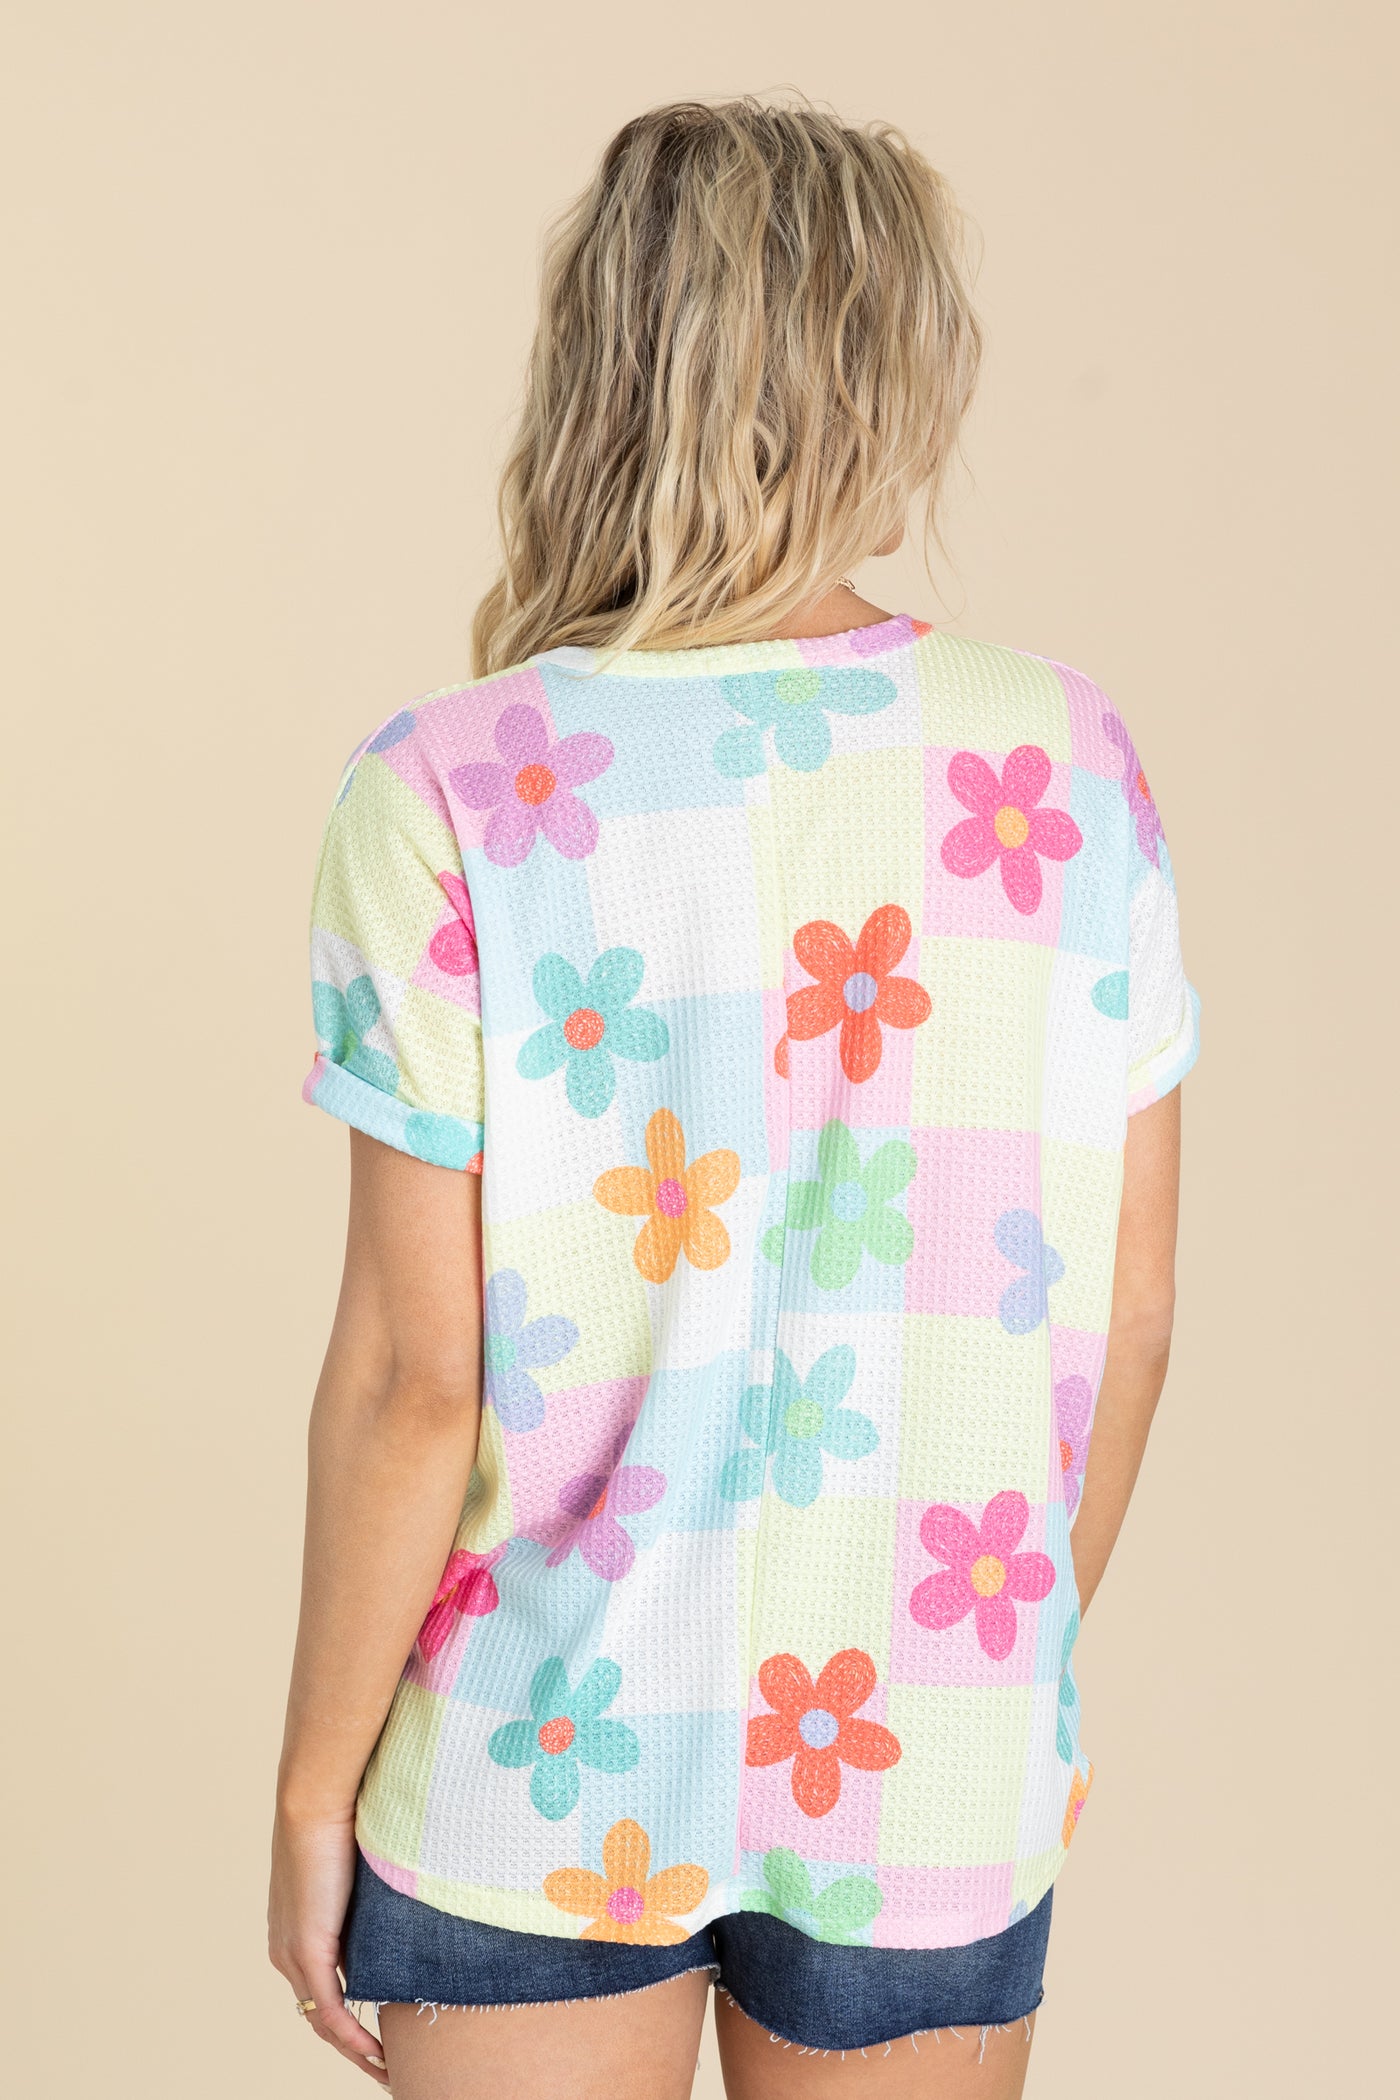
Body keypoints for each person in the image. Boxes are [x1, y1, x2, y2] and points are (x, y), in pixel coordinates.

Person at [268, 97, 1197, 2100]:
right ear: (891, 374)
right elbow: (1125, 1321)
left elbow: (417, 1381)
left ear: (596, 364)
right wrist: (993, 1666)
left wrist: (310, 1794)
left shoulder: (444, 789)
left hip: (535, 1753)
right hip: (920, 1758)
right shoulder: (1062, 760)